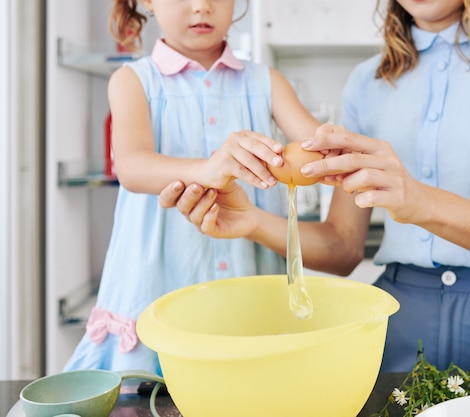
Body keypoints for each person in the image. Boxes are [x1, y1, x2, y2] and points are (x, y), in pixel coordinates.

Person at [159, 0, 470, 373]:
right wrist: (252, 221)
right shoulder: (368, 82)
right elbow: (342, 247)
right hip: (399, 327)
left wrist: (418, 200)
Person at [64, 0, 320, 375]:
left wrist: (329, 150)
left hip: (247, 285)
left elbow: (313, 152)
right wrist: (209, 168)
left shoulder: (266, 82)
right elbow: (132, 167)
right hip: (156, 285)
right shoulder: (133, 80)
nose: (201, 6)